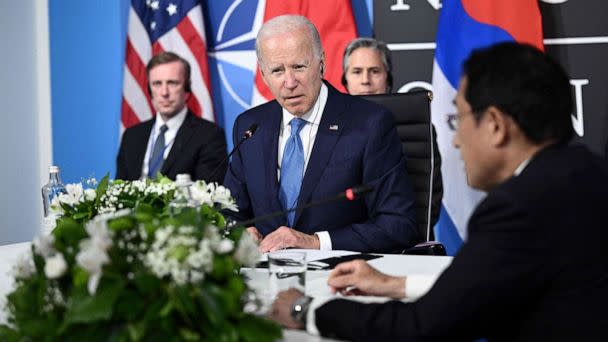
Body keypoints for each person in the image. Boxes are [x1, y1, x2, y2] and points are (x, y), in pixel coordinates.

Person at [269, 42, 608, 341]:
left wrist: (305, 309)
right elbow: (486, 283)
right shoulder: (587, 173)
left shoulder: (519, 208)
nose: (457, 141)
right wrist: (396, 284)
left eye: (457, 120)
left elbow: (419, 326)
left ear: (495, 125)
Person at [222, 15, 419, 253]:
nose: (290, 82)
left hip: (339, 275)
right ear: (263, 75)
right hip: (266, 275)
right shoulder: (250, 126)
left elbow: (398, 225)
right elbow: (229, 211)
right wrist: (239, 231)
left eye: (299, 67)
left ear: (322, 63)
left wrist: (315, 242)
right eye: (277, 70)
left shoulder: (370, 124)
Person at [342, 37, 443, 230]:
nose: (366, 81)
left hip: (404, 241)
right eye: (357, 72)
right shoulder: (328, 130)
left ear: (388, 79)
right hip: (345, 242)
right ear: (345, 80)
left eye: (375, 71)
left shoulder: (419, 128)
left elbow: (431, 201)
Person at [116, 51, 227, 182]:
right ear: (149, 89)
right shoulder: (132, 136)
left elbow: (208, 195)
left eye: (172, 83)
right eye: (157, 83)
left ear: (187, 88)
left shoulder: (209, 136)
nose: (164, 92)